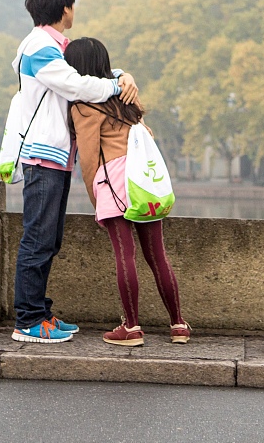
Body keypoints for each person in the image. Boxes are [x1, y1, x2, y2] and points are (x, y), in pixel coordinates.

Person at [10, 0, 139, 344]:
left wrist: (121, 75)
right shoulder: (39, 47)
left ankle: (41, 312)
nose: (74, 11)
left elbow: (87, 71)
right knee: (37, 239)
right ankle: (29, 320)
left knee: (49, 239)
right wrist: (116, 87)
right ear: (64, 9)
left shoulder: (54, 45)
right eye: (72, 5)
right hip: (43, 157)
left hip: (57, 157)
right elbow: (78, 85)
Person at [65, 36, 190, 347]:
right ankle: (178, 324)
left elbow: (90, 159)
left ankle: (131, 328)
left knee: (125, 255)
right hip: (143, 180)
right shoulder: (127, 95)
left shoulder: (84, 106)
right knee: (157, 255)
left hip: (115, 182)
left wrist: (97, 199)